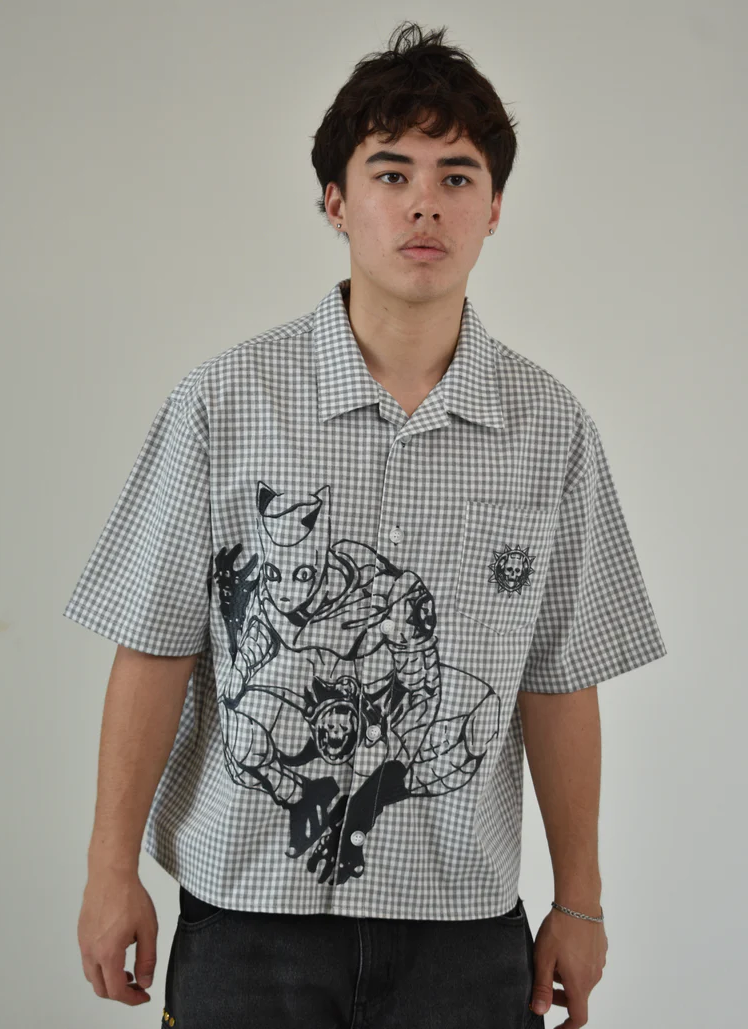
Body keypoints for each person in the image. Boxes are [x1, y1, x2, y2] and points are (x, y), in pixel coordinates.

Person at [65, 20, 667, 1029]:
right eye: (391, 173)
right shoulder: (227, 402)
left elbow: (560, 677)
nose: (424, 201)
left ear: (494, 208)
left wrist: (579, 901)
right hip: (246, 913)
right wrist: (108, 868)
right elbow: (154, 645)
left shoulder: (548, 427)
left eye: (456, 176)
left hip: (462, 926)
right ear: (336, 202)